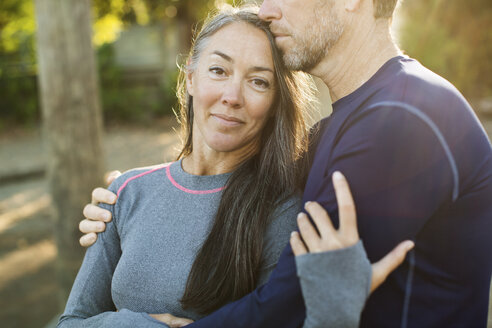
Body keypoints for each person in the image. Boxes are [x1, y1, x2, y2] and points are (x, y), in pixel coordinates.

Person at [81, 0, 492, 327]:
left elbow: (291, 298)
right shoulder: (347, 124)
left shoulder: (403, 116)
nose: (266, 10)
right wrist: (133, 197)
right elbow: (237, 175)